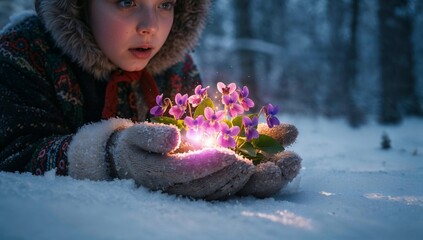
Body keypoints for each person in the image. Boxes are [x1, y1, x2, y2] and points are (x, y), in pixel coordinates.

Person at [0, 0, 301, 200]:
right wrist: (112, 156)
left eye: (165, 4)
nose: (151, 26)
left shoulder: (176, 68)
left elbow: (191, 143)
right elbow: (13, 155)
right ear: (79, 6)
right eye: (127, 1)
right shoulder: (25, 50)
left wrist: (231, 152)